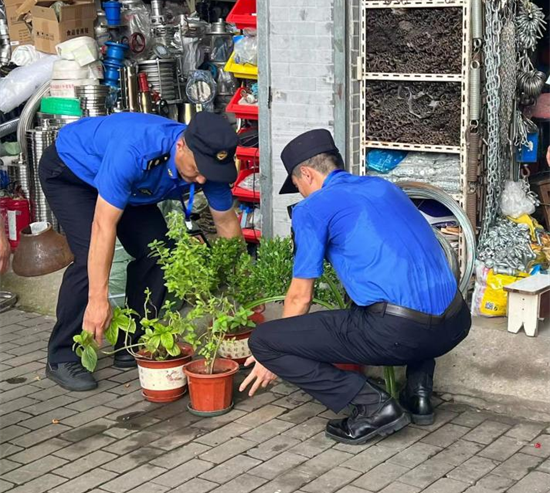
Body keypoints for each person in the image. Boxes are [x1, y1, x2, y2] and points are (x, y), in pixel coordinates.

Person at [241, 129, 471, 445]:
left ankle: (374, 407)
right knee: (410, 291)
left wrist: (275, 350)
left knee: (266, 341)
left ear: (306, 174)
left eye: (296, 186)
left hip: (401, 335)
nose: (301, 194)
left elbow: (300, 296)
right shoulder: (383, 187)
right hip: (456, 323)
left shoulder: (314, 208)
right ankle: (418, 394)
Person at [39, 111, 242, 392]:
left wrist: (240, 288)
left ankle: (131, 340)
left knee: (159, 251)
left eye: (210, 171)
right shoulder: (136, 150)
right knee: (89, 255)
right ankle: (61, 356)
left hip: (134, 189)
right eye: (197, 169)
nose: (203, 179)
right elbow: (103, 226)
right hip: (73, 173)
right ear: (181, 145)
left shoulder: (208, 163)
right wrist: (99, 300)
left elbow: (226, 222)